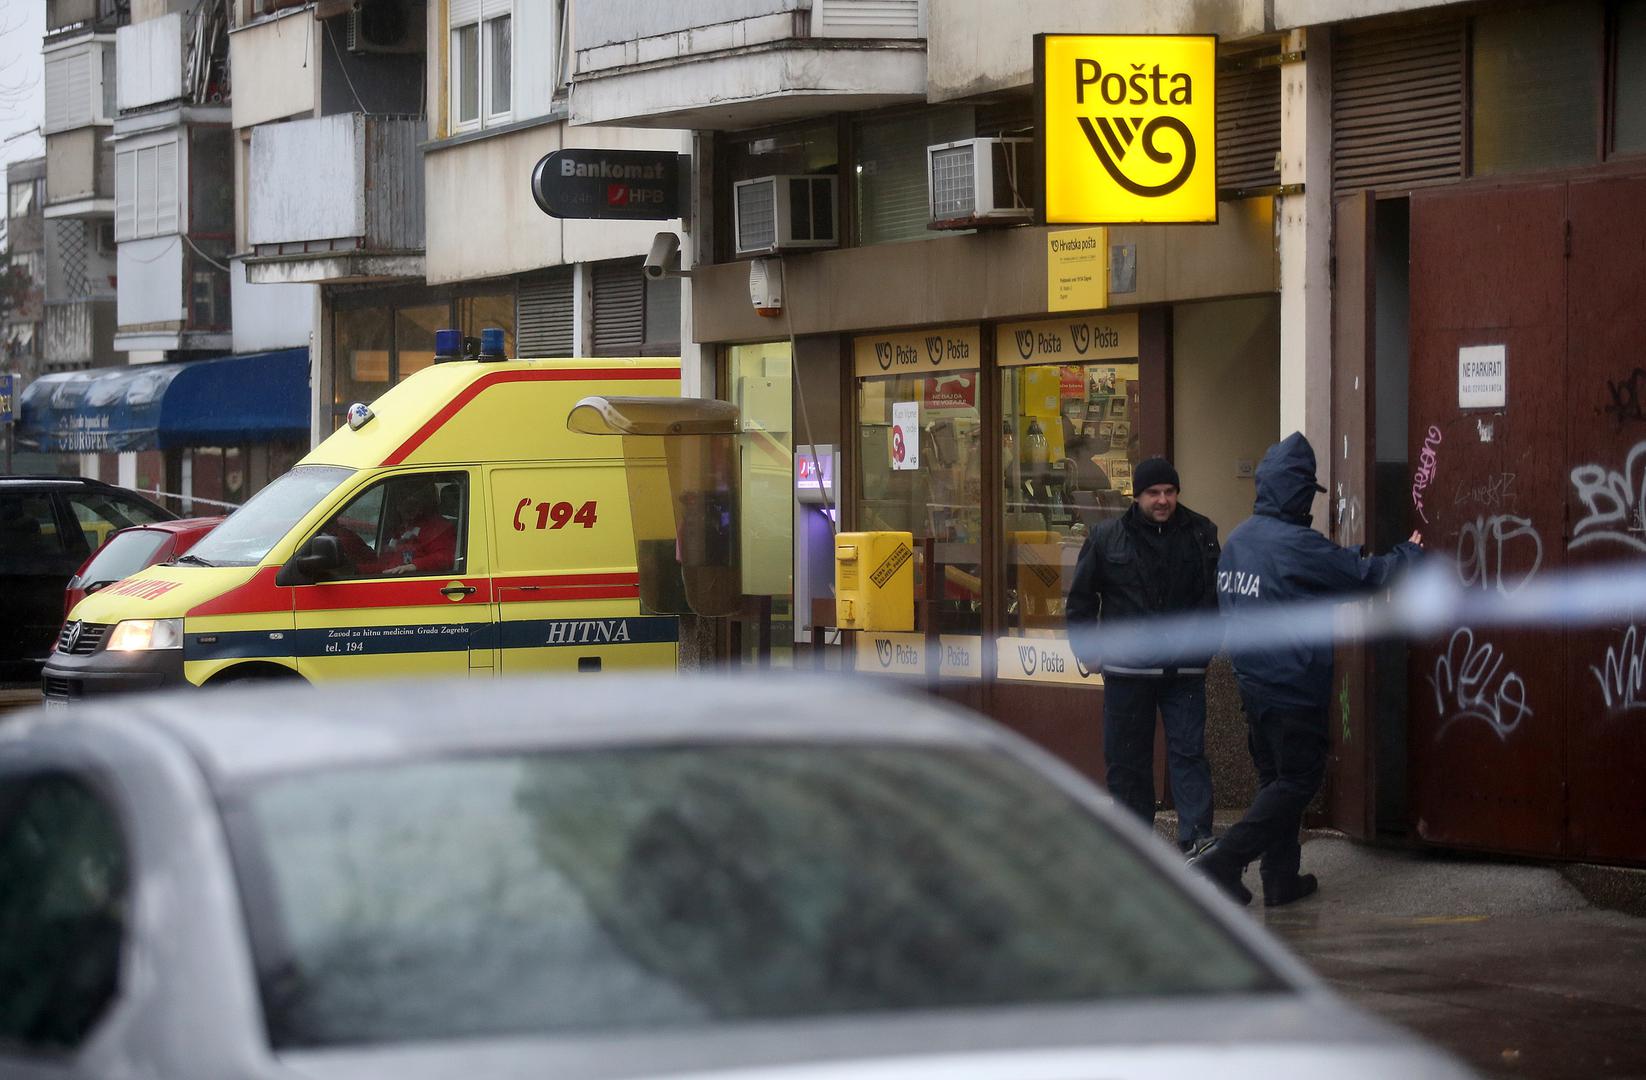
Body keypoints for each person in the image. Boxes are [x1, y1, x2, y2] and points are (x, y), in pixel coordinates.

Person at [1191, 432, 1422, 907]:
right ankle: (1224, 861)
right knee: (1297, 782)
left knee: (1275, 782)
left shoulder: (1239, 539)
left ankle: (1280, 879)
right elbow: (1366, 576)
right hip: (1292, 686)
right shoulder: (1298, 545)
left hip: (1252, 683)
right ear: (1297, 492)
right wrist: (1410, 554)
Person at [1066, 456, 1221, 854]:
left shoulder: (1201, 533)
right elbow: (1081, 600)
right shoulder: (1106, 537)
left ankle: (1197, 841)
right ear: (1137, 496)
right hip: (1126, 671)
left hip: (1184, 669)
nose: (1162, 500)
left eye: (1169, 492)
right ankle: (1135, 848)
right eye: (1153, 493)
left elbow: (1213, 599)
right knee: (1127, 762)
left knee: (1189, 754)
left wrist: (1205, 649)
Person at [371, 481, 457, 576]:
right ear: (397, 506)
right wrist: (360, 569)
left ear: (422, 503)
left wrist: (414, 566)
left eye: (413, 502)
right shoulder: (400, 531)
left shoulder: (438, 527)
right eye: (402, 499)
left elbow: (447, 557)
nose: (407, 506)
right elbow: (385, 567)